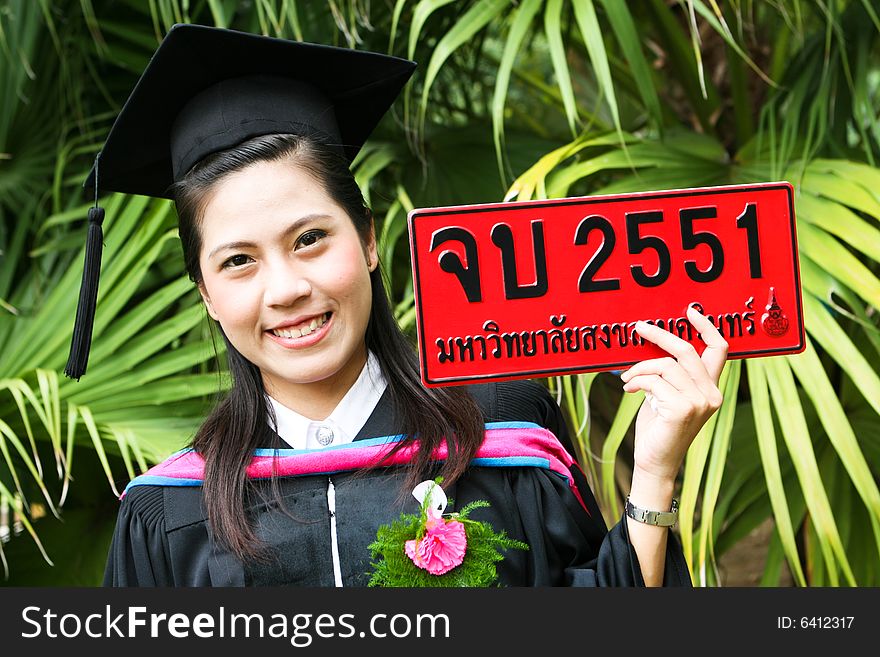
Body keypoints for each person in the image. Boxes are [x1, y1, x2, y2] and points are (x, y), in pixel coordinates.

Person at [69, 24, 728, 587]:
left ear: (369, 238)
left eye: (310, 239)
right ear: (208, 294)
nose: (286, 287)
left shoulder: (501, 431)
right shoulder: (170, 514)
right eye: (238, 260)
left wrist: (654, 474)